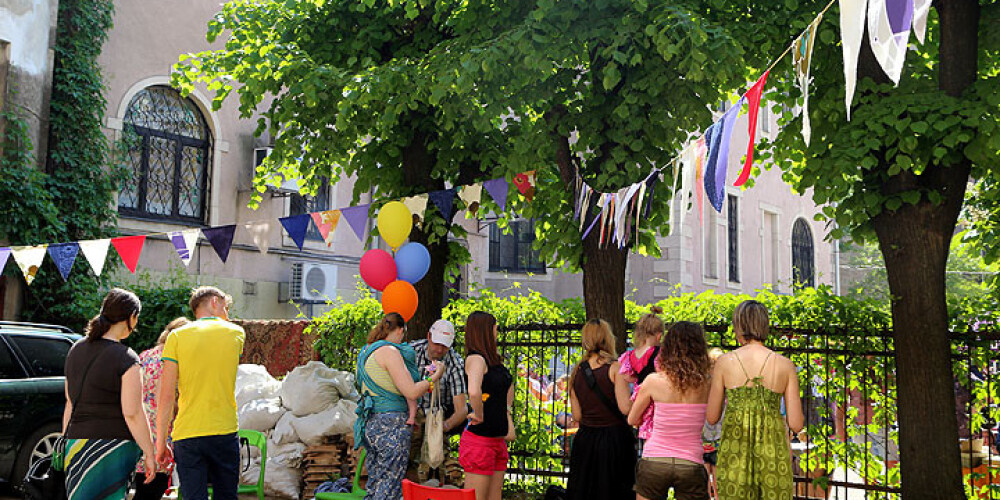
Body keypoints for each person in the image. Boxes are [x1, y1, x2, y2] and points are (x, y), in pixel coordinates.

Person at [62, 288, 156, 499]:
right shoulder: (126, 357)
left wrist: (65, 441)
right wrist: (149, 451)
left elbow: (69, 402)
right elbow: (132, 413)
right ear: (131, 317)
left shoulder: (75, 349)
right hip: (112, 447)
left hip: (75, 444)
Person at [155, 287, 246, 500]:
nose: (227, 314)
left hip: (188, 433)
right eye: (225, 307)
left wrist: (161, 442)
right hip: (224, 430)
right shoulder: (236, 333)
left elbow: (167, 395)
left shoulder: (176, 336)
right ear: (215, 302)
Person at [707, 300, 804, 500]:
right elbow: (796, 424)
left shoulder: (724, 362)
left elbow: (712, 417)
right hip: (773, 453)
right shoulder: (785, 365)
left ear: (739, 326)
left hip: (735, 451)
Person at [354, 313, 444, 500]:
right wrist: (434, 377)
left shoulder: (365, 351)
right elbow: (411, 391)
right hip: (391, 425)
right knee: (389, 487)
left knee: (375, 484)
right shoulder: (390, 352)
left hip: (370, 423)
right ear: (401, 330)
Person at [629, 321, 712, 500]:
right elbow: (713, 417)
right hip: (691, 462)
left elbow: (632, 419)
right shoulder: (708, 383)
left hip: (655, 460)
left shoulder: (653, 381)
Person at [566, 319, 636, 500]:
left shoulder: (577, 372)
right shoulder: (614, 368)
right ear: (608, 338)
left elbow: (577, 415)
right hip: (614, 440)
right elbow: (625, 408)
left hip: (586, 440)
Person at [460, 311, 515, 500]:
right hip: (480, 441)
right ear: (485, 330)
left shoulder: (493, 361)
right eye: (494, 328)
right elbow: (474, 391)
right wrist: (479, 413)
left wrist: (506, 412)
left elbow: (506, 387)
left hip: (497, 440)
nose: (496, 332)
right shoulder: (476, 359)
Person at [408, 319, 469, 485]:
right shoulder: (411, 351)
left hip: (435, 417)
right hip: (410, 415)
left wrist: (444, 427)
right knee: (405, 461)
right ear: (428, 336)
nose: (440, 349)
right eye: (437, 344)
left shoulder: (455, 363)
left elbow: (462, 410)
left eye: (445, 346)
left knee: (437, 465)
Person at [134, 317, 189, 500]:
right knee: (151, 492)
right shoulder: (170, 361)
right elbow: (163, 400)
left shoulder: (145, 355)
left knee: (141, 490)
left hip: (137, 430)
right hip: (159, 435)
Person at [620, 307, 665, 442]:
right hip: (655, 395)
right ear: (659, 336)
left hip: (639, 395)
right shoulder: (659, 353)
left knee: (643, 423)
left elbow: (626, 376)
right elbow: (662, 373)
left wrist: (638, 378)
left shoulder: (631, 354)